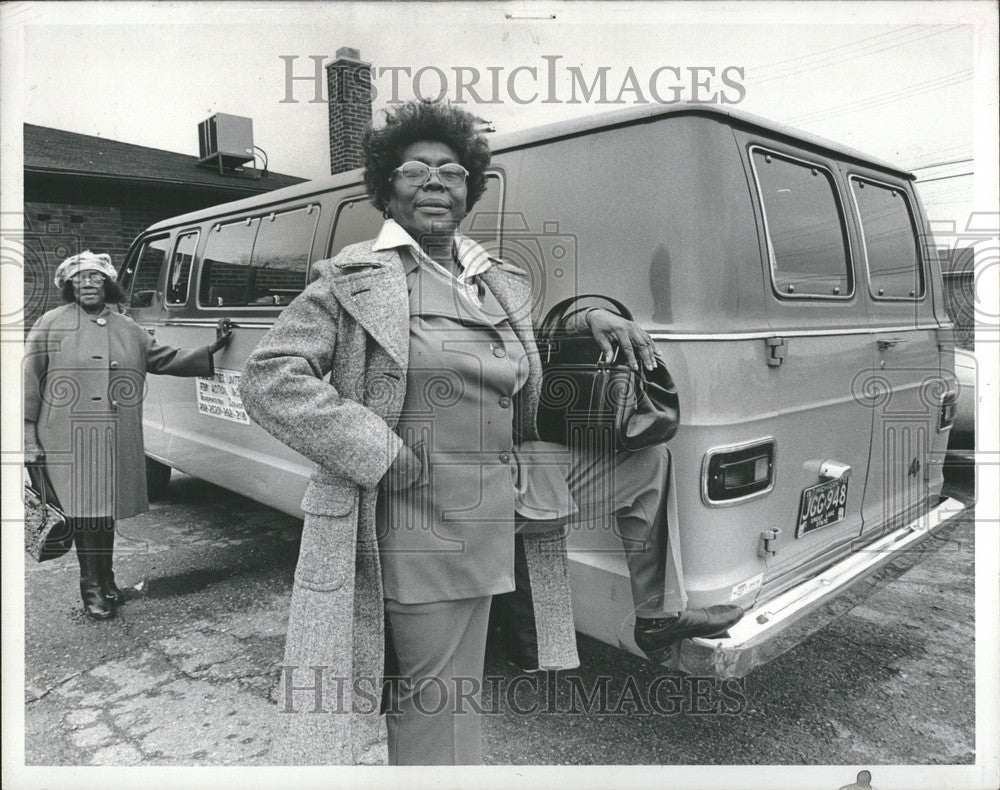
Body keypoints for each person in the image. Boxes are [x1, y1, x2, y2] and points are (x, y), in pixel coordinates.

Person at [239, 100, 741, 766]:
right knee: (441, 706)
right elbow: (270, 376)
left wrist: (590, 313)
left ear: (471, 188)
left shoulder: (494, 280)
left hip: (503, 493)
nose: (434, 182)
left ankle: (655, 616)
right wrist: (379, 453)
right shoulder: (357, 279)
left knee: (644, 465)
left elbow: (529, 347)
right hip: (425, 522)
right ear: (386, 188)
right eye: (414, 170)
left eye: (450, 171)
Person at [23, 251, 233, 620]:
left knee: (104, 515)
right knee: (86, 515)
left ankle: (107, 582)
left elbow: (163, 357)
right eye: (80, 278)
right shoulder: (50, 323)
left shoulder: (127, 327)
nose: (88, 283)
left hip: (114, 437)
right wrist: (28, 436)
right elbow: (29, 381)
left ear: (108, 283)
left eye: (96, 277)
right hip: (66, 438)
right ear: (69, 286)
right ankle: (92, 591)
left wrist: (210, 350)